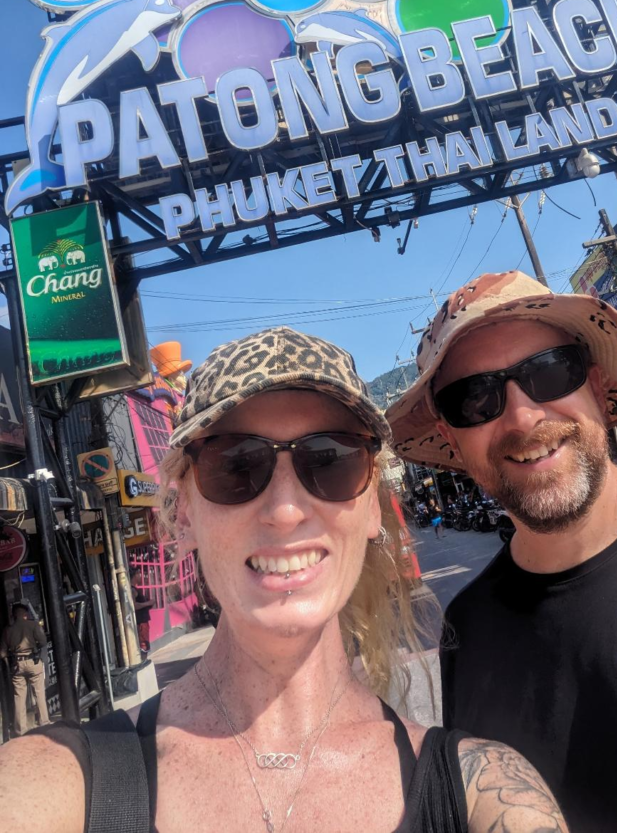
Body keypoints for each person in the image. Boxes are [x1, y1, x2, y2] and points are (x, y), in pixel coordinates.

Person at [0, 327, 567, 833]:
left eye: (331, 459)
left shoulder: (484, 794)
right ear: (184, 513)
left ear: (373, 508)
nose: (286, 510)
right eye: (236, 465)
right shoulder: (59, 783)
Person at [387, 271, 617, 833]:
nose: (522, 418)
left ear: (593, 383)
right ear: (450, 438)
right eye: (475, 399)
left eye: (548, 373)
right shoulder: (466, 633)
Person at [0, 602, 49, 736]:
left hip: (17, 665)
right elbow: (43, 641)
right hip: (33, 662)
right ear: (25, 614)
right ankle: (44, 723)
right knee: (39, 693)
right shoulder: (33, 625)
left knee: (19, 697)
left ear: (14, 615)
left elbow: (2, 653)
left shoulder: (7, 630)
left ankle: (21, 730)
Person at [130, 569, 153, 657]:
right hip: (140, 623)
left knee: (145, 645)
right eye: (139, 574)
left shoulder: (135, 589)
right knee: (143, 646)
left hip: (143, 622)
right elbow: (134, 605)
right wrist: (148, 603)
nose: (140, 576)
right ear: (135, 575)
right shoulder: (132, 590)